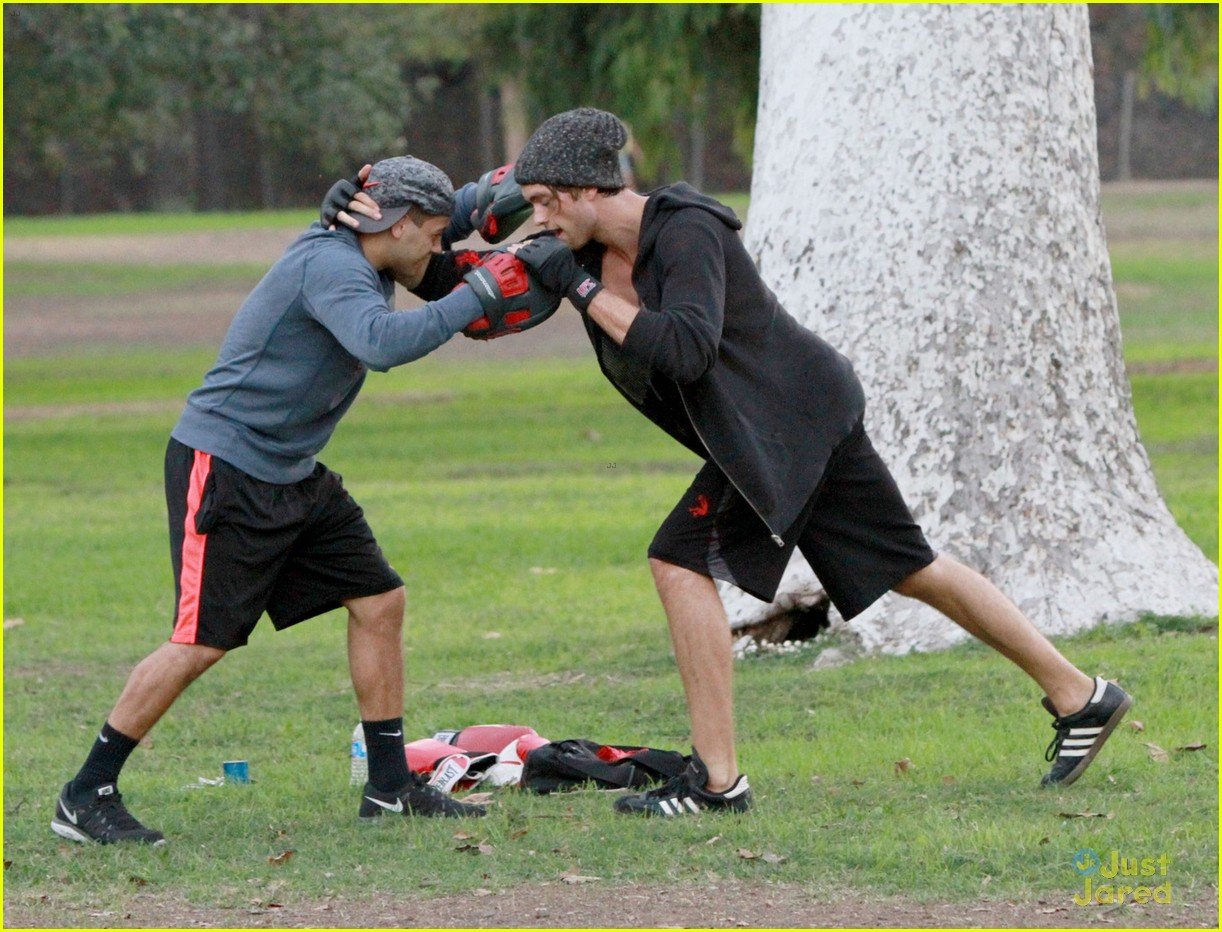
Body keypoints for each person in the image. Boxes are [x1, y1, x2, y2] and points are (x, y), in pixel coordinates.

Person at [498, 107, 1132, 816]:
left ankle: (716, 781)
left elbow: (684, 348)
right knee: (912, 567)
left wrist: (580, 291)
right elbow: (474, 287)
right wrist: (377, 244)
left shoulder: (686, 231)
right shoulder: (585, 251)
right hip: (805, 415)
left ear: (589, 189)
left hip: (786, 426)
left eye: (548, 203)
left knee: (678, 559)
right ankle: (1083, 695)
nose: (542, 220)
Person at [49, 155, 520, 845]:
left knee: (379, 601)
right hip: (229, 467)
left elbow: (465, 201)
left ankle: (390, 788)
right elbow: (380, 343)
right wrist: (477, 293)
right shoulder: (332, 266)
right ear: (396, 224)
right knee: (200, 643)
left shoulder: (371, 242)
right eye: (433, 234)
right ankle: (84, 794)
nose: (439, 249)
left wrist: (528, 195)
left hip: (291, 472)